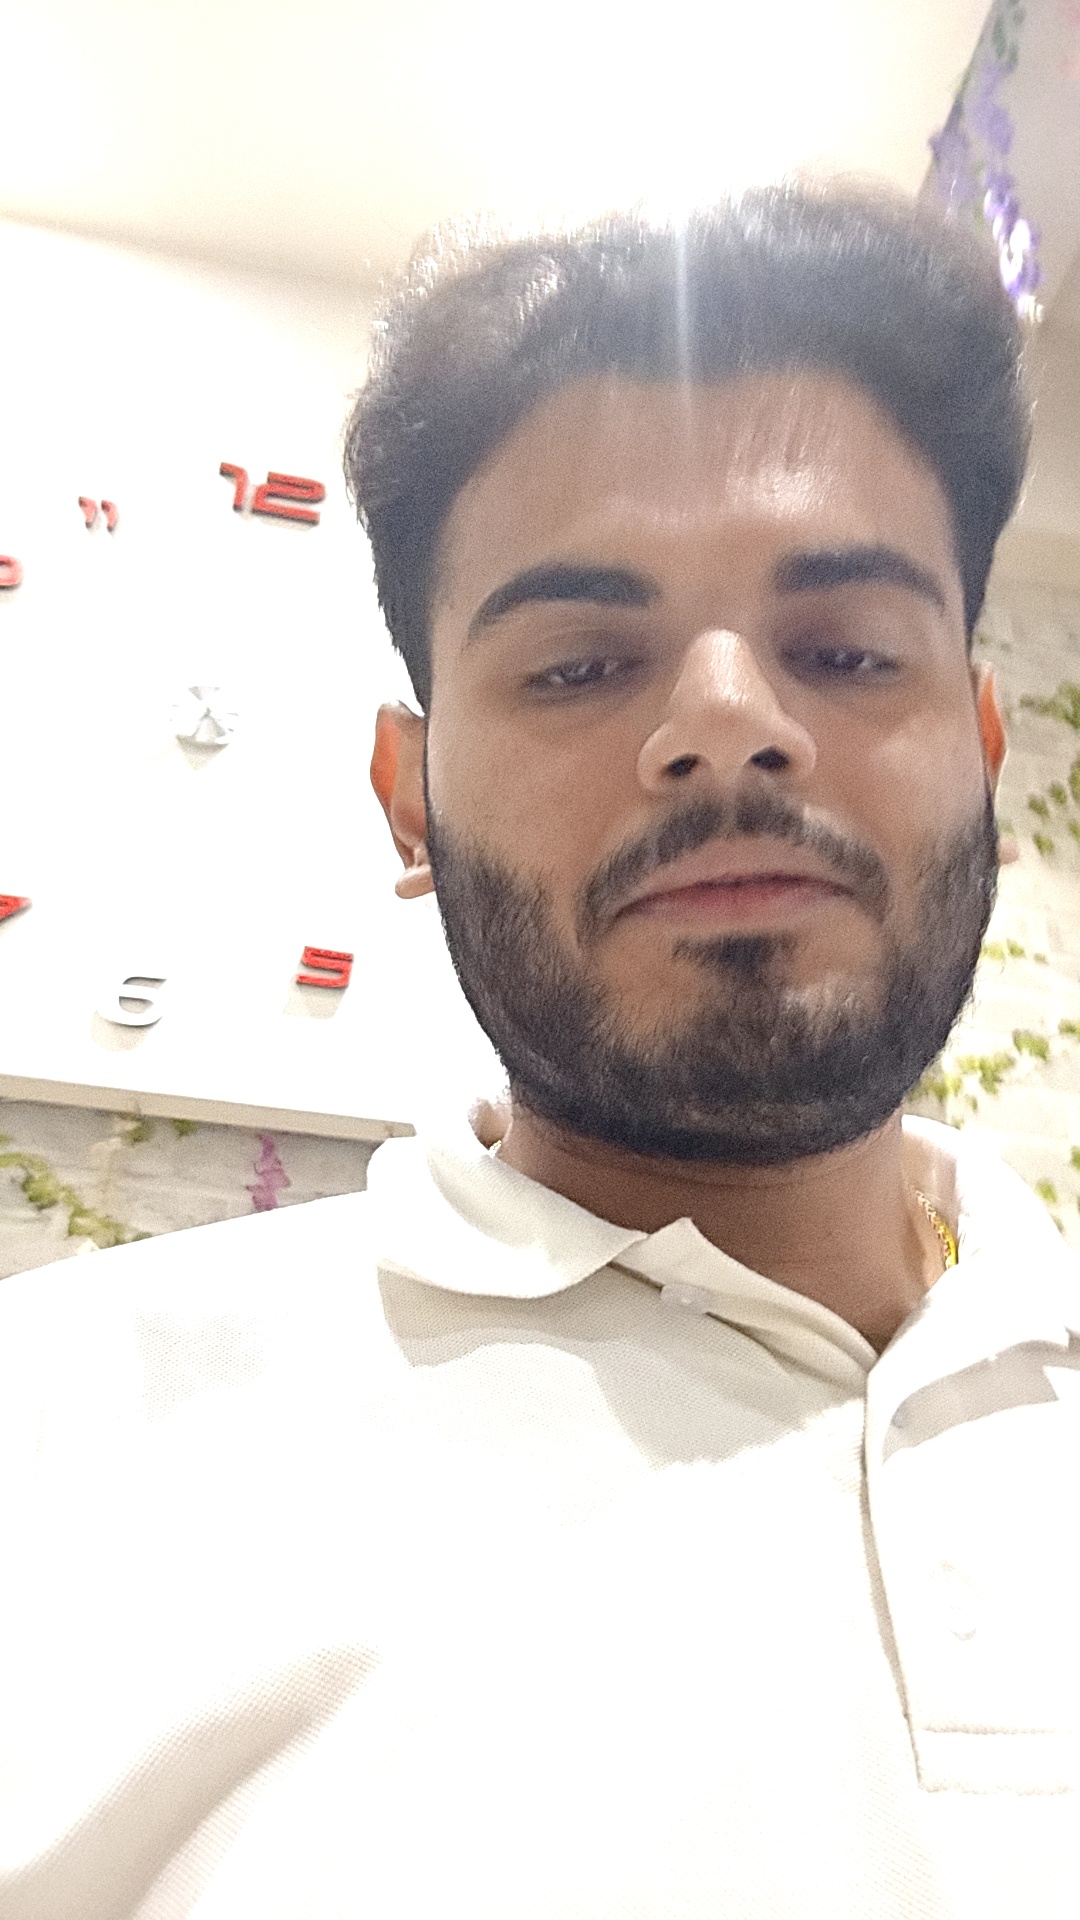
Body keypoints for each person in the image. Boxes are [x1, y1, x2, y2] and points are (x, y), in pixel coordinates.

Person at [1, 183, 1077, 1920]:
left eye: (844, 649)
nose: (728, 718)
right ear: (408, 796)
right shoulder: (55, 1432)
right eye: (580, 665)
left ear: (980, 749)